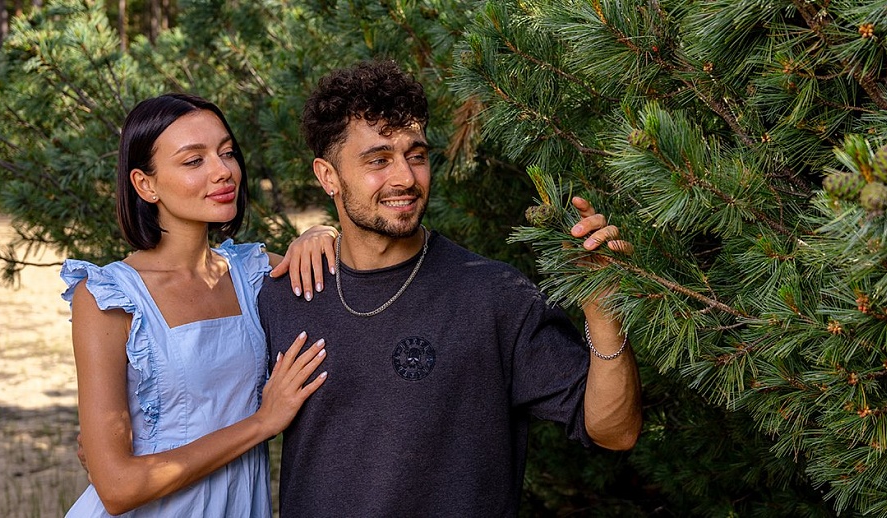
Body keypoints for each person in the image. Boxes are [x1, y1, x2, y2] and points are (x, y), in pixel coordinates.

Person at [258, 60, 643, 516]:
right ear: (327, 176)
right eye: (378, 160)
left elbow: (615, 431)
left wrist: (604, 313)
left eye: (416, 156)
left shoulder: (494, 295)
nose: (406, 178)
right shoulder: (287, 295)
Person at [61, 93, 335, 517]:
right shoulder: (108, 297)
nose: (223, 171)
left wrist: (322, 233)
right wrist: (262, 422)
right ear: (145, 185)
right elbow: (116, 488)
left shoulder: (253, 273)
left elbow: (343, 295)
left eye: (227, 153)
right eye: (194, 161)